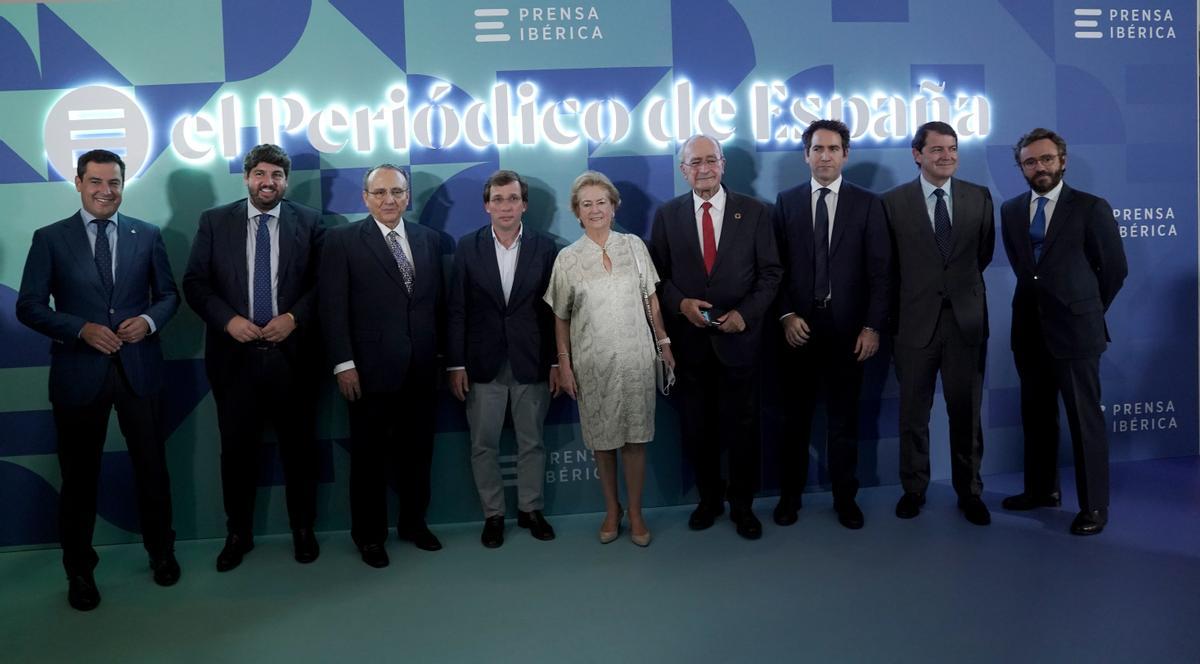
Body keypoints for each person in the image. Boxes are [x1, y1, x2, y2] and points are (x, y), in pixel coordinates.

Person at [16, 149, 181, 611]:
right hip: (78, 373)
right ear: (78, 182)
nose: (106, 191)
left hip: (140, 371)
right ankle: (80, 571)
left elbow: (169, 295)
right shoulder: (50, 238)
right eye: (96, 182)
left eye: (114, 183)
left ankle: (161, 553)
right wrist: (79, 329)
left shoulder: (146, 235)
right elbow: (28, 305)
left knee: (152, 469)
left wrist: (148, 321)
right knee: (79, 478)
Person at [182, 144, 324, 571]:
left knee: (299, 451)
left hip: (293, 357)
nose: (268, 183)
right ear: (246, 178)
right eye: (260, 174)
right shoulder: (214, 222)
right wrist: (228, 322)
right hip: (234, 359)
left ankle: (303, 529)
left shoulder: (311, 222)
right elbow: (195, 283)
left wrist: (294, 318)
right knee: (237, 454)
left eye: (277, 176)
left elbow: (325, 284)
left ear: (286, 181)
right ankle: (237, 533)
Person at [649, 135, 781, 540]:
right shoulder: (668, 215)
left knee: (743, 429)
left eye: (711, 160)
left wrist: (745, 314)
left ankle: (743, 506)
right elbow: (658, 278)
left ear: (723, 165)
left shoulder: (756, 212)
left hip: (740, 343)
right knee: (698, 429)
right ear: (682, 169)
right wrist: (681, 304)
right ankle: (709, 501)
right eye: (695, 162)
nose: (703, 168)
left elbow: (771, 273)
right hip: (690, 344)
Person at [999, 128, 1127, 535]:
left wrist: (1086, 310)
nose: (1040, 167)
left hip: (1076, 333)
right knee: (1036, 416)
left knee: (1084, 421)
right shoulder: (1011, 210)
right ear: (1021, 168)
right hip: (1028, 332)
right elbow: (1025, 269)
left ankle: (1094, 507)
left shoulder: (1091, 207)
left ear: (1063, 161)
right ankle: (1041, 491)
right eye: (1031, 162)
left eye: (1047, 159)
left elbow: (1115, 270)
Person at [319, 164, 445, 568]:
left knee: (418, 454)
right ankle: (369, 536)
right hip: (368, 372)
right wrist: (343, 364)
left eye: (397, 192)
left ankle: (414, 523)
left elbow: (435, 306)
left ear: (407, 196)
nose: (389, 200)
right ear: (365, 198)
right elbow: (332, 308)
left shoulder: (429, 240)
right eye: (380, 193)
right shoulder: (342, 242)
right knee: (369, 459)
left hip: (422, 370)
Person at [771, 120, 891, 530]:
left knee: (844, 422)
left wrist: (873, 327)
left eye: (833, 148)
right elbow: (775, 270)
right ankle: (790, 498)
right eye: (818, 149)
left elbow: (881, 273)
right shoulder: (785, 203)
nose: (825, 156)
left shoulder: (868, 204)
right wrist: (786, 315)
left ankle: (845, 498)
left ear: (845, 155)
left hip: (849, 334)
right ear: (806, 155)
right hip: (797, 332)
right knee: (794, 422)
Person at [544, 171, 673, 547]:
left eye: (602, 202)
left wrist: (664, 343)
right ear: (577, 213)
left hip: (636, 358)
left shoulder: (634, 247)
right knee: (603, 441)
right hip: (592, 364)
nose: (595, 209)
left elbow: (651, 300)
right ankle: (611, 510)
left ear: (614, 207)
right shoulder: (567, 259)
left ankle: (635, 512)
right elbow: (561, 316)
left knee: (635, 440)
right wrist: (564, 363)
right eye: (587, 204)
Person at [881, 121, 994, 526]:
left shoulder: (979, 197)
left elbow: (981, 255)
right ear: (917, 154)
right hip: (913, 326)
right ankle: (914, 489)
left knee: (967, 414)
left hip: (966, 325)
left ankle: (971, 491)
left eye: (952, 148)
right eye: (936, 149)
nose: (946, 156)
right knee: (913, 414)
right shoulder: (892, 203)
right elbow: (888, 270)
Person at [448, 170, 560, 548]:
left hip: (532, 362)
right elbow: (457, 309)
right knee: (484, 444)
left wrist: (557, 363)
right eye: (498, 199)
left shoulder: (547, 249)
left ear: (524, 205)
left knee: (532, 441)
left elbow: (553, 313)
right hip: (482, 364)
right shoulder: (467, 247)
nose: (505, 206)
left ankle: (531, 510)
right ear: (486, 206)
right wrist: (456, 364)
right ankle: (493, 515)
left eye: (512, 199)